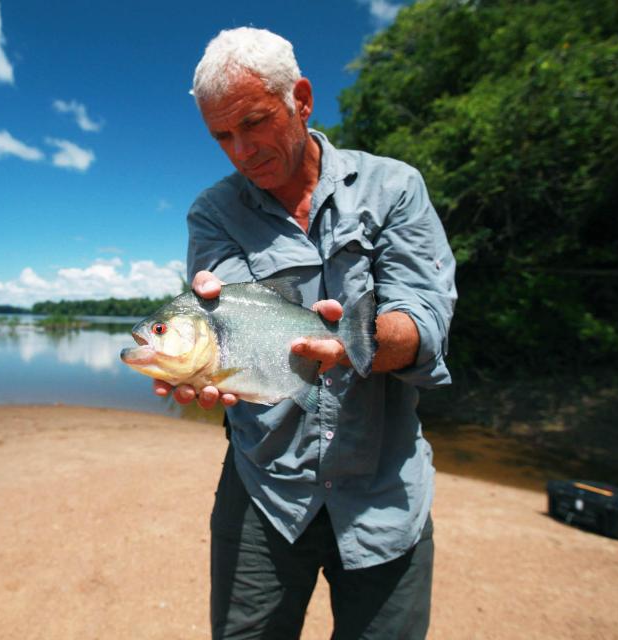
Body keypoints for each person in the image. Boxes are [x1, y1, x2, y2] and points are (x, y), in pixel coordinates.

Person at [153, 27, 457, 639]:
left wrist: (359, 345)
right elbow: (229, 325)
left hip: (384, 490)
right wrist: (205, 365)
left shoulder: (395, 188)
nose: (241, 150)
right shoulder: (213, 213)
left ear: (302, 99)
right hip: (265, 488)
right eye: (222, 136)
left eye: (255, 122)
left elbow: (425, 319)